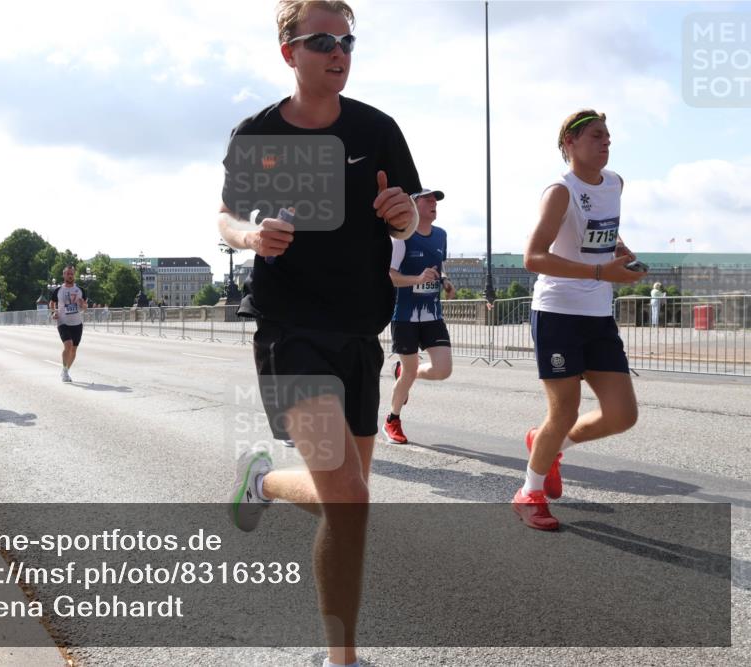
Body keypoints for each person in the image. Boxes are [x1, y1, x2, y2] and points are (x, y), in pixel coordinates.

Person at [219, 3, 421, 665]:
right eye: (323, 40)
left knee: (348, 500)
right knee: (351, 494)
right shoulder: (259, 133)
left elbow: (410, 215)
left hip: (362, 333)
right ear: (289, 52)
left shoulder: (378, 128)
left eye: (347, 40)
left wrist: (402, 216)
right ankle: (341, 658)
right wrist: (249, 234)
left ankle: (266, 483)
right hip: (291, 330)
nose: (339, 51)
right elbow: (225, 214)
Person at [518, 109, 646, 531]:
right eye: (596, 136)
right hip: (558, 313)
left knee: (622, 414)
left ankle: (550, 447)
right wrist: (598, 272)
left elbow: (605, 232)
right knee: (565, 410)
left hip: (597, 315)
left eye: (608, 136)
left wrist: (623, 256)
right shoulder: (561, 191)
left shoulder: (614, 184)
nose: (606, 142)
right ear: (569, 144)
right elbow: (533, 257)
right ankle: (529, 491)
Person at [384, 187, 456, 444]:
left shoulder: (441, 235)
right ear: (414, 205)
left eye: (436, 199)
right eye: (427, 199)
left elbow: (439, 267)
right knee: (410, 374)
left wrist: (445, 281)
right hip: (404, 315)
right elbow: (389, 276)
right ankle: (393, 418)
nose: (434, 203)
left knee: (443, 370)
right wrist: (417, 278)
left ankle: (404, 370)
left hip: (432, 315)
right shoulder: (401, 238)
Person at [49, 265, 87, 383]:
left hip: (77, 323)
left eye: (72, 274)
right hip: (63, 322)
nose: (70, 276)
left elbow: (85, 308)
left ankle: (65, 370)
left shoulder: (80, 290)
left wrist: (82, 305)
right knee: (68, 345)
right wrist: (54, 312)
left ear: (73, 275)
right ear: (64, 275)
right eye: (68, 274)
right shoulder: (58, 290)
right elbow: (52, 303)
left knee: (74, 350)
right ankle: (65, 372)